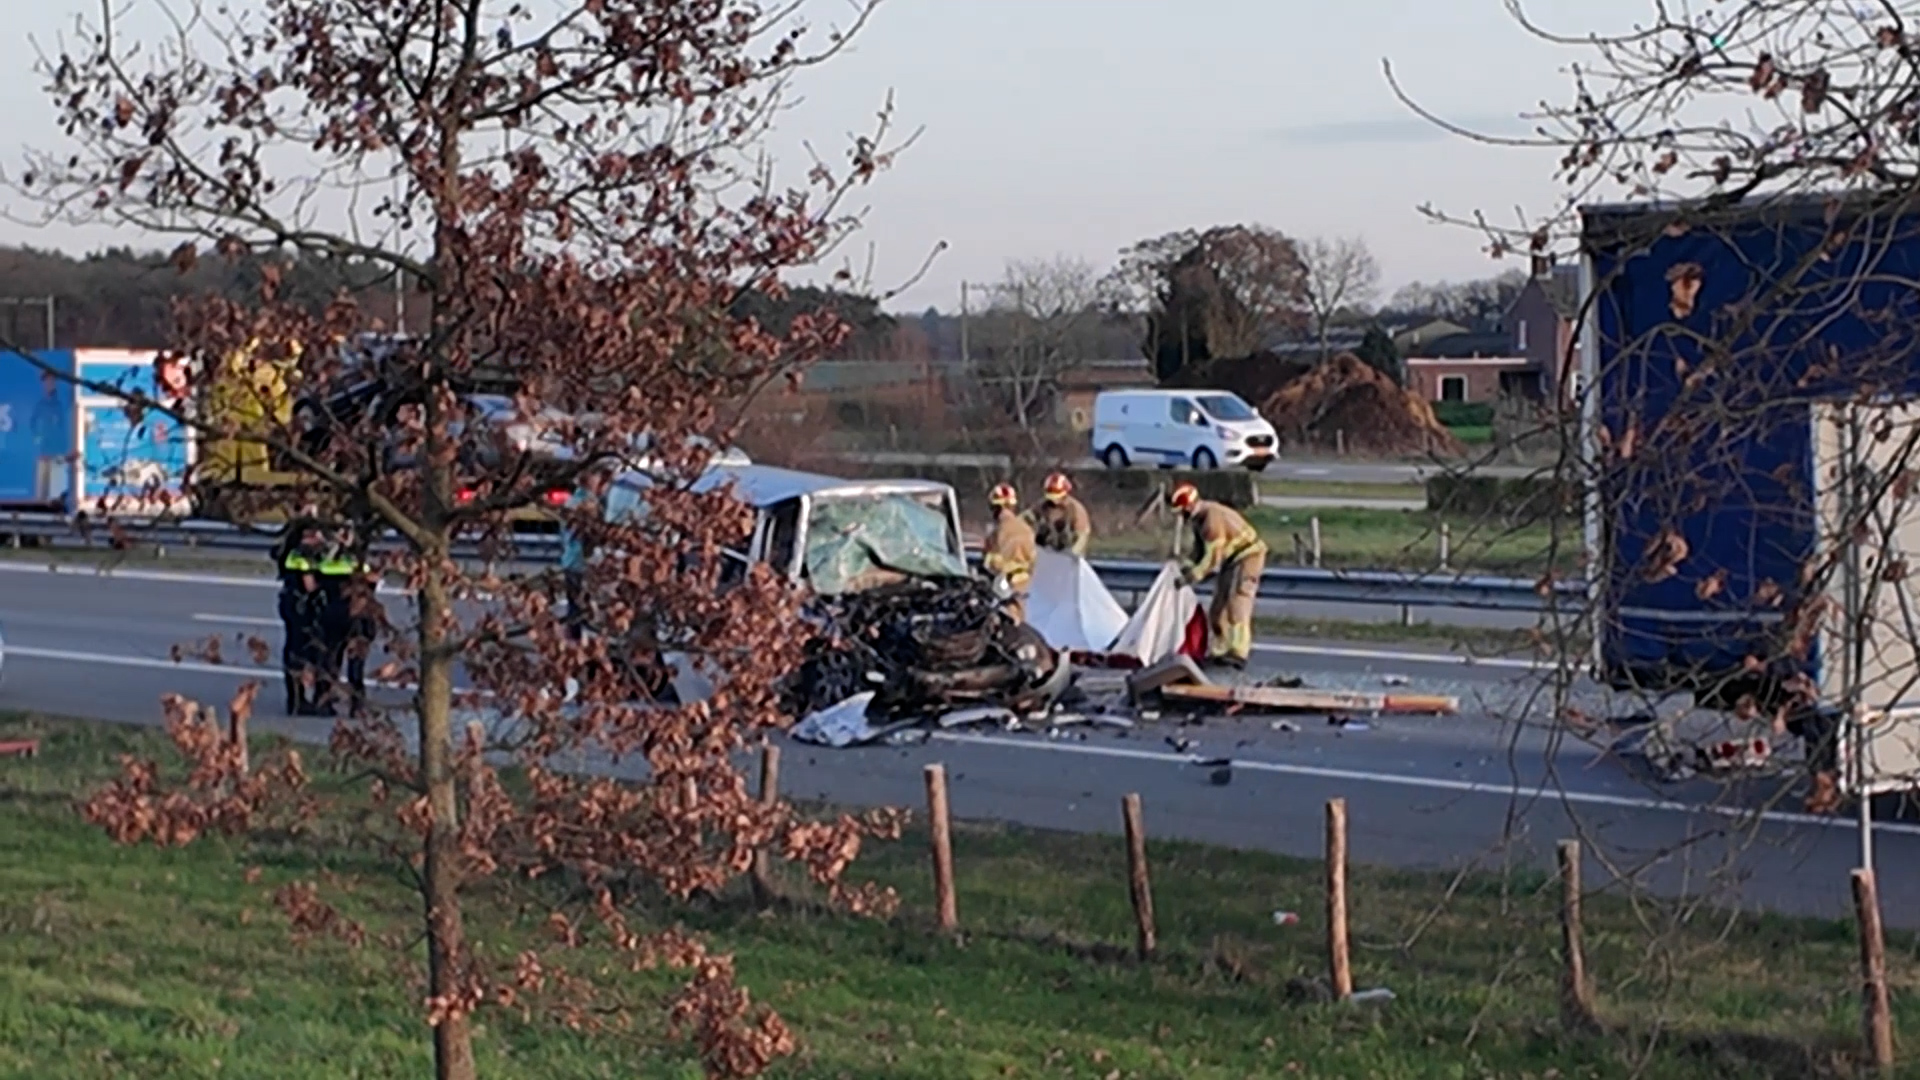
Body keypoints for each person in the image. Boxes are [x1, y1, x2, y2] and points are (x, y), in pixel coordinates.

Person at [1169, 482, 1267, 670]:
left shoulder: (1212, 520)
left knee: (1237, 603)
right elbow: (1199, 551)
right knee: (1218, 606)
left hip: (1249, 556)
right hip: (1232, 559)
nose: (1182, 516)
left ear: (1190, 505)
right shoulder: (1200, 521)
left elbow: (1213, 558)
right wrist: (1185, 567)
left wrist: (1191, 577)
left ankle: (1238, 652)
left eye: (1183, 511)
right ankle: (1220, 649)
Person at [274, 520, 333, 714]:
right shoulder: (301, 556)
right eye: (311, 535)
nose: (317, 539)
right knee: (300, 650)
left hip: (290, 603)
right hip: (299, 606)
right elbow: (310, 585)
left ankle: (296, 698)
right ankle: (298, 700)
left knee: (294, 648)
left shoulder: (291, 553)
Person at [317, 524, 371, 717]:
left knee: (331, 659)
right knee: (356, 663)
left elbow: (318, 581)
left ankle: (325, 701)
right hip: (357, 616)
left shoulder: (326, 564)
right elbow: (371, 584)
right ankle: (357, 705)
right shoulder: (359, 564)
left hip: (333, 613)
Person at [557, 468, 612, 638]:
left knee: (574, 603)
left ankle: (572, 637)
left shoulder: (570, 501)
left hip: (569, 558)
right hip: (583, 560)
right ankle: (583, 637)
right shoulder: (589, 504)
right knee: (586, 603)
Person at [981, 482, 1037, 624]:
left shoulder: (997, 532)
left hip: (1004, 587)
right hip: (1023, 584)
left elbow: (991, 563)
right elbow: (1033, 560)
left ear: (995, 507)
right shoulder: (1027, 529)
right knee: (1020, 621)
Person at [1028, 472, 1092, 557]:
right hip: (1043, 554)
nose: (1054, 500)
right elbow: (1024, 522)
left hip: (1068, 555)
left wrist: (1073, 555)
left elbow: (1081, 538)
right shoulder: (1040, 507)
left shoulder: (1076, 510)